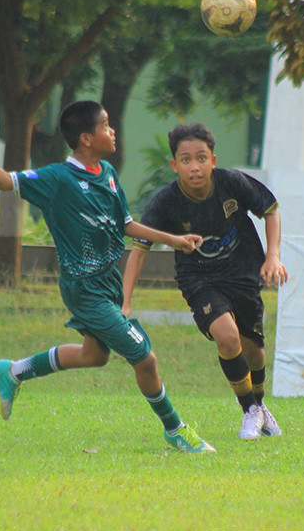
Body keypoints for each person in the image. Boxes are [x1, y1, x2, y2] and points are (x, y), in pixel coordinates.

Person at [0, 101, 215, 454]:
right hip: (85, 289)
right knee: (145, 357)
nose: (112, 131)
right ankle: (175, 429)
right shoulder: (58, 179)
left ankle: (12, 371)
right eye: (106, 125)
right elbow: (7, 181)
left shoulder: (107, 171)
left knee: (95, 356)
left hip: (106, 282)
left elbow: (125, 224)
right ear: (86, 138)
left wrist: (173, 240)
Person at [121, 122, 288, 441]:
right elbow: (139, 251)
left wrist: (273, 257)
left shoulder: (232, 182)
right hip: (199, 279)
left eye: (201, 158)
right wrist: (125, 303)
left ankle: (260, 405)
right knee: (227, 338)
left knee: (254, 353)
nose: (194, 166)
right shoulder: (166, 201)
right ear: (174, 165)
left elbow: (270, 209)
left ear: (213, 160)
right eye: (186, 160)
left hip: (243, 272)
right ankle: (249, 410)